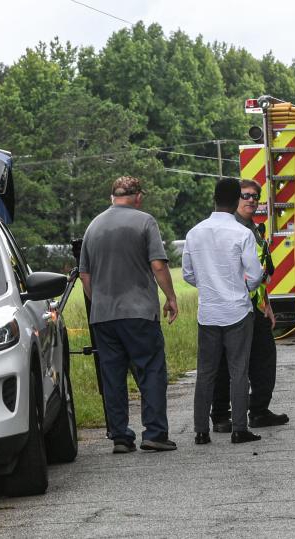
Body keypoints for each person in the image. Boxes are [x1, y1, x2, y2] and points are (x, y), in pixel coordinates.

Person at [79, 176, 179, 454]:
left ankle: (121, 436)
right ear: (137, 196)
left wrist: (98, 301)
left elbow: (85, 275)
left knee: (112, 376)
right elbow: (158, 265)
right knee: (151, 371)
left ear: (113, 197)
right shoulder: (145, 221)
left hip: (103, 315)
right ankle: (155, 433)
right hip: (138, 312)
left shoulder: (93, 226)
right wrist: (170, 297)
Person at [183, 178, 264, 444]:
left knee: (206, 372)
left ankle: (200, 431)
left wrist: (209, 286)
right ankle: (240, 429)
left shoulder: (195, 232)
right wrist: (241, 290)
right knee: (238, 371)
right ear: (235, 200)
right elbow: (254, 275)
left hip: (208, 312)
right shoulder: (243, 234)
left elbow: (188, 274)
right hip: (238, 311)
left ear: (214, 199)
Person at [209, 180, 288, 432]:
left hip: (255, 307)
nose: (251, 200)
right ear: (235, 199)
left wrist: (267, 305)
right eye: (246, 196)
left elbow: (260, 273)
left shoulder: (254, 229)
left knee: (264, 359)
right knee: (225, 364)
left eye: (256, 196)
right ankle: (221, 416)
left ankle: (259, 411)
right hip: (232, 307)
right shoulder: (229, 229)